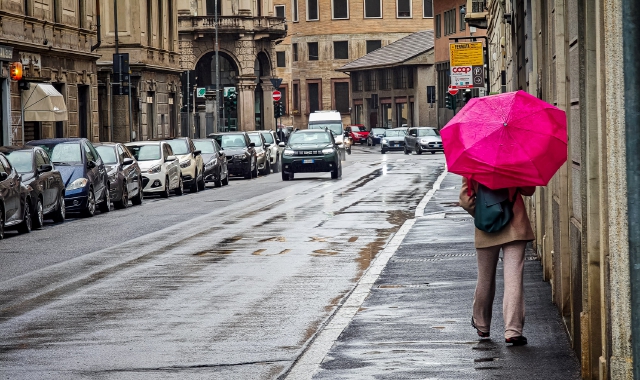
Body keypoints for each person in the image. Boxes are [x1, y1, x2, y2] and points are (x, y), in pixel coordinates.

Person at [459, 177, 536, 346]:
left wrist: (482, 213)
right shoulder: (516, 158)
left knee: (485, 278)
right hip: (516, 225)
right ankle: (513, 331)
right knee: (513, 278)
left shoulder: (475, 161)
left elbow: (465, 200)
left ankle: (482, 325)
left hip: (486, 227)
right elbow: (529, 190)